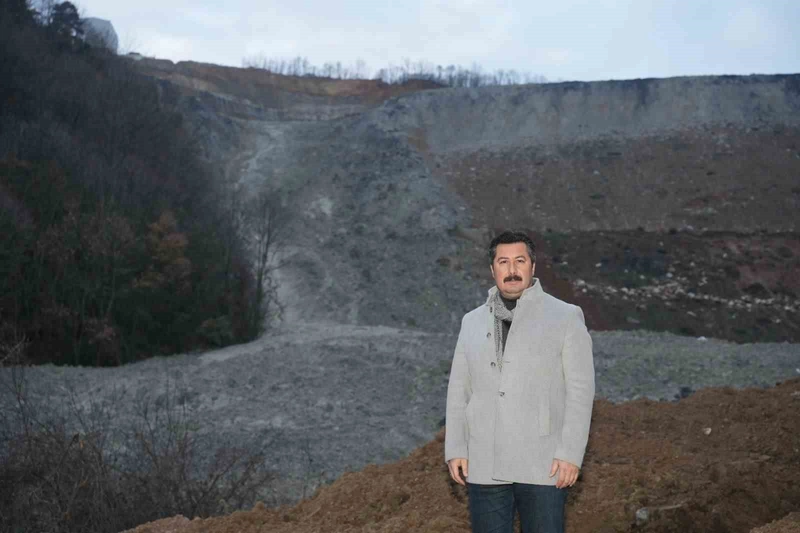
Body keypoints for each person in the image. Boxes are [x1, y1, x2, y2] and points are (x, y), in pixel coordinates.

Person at [445, 230, 595, 533]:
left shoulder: (565, 316)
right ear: (492, 269)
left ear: (533, 266)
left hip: (543, 462)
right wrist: (456, 446)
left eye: (520, 261)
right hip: (484, 460)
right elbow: (459, 389)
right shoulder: (471, 321)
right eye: (503, 262)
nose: (512, 270)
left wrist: (570, 454)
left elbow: (581, 392)